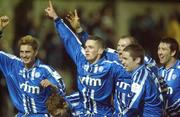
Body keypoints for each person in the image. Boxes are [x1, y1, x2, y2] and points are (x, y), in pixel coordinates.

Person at [45, 1, 130, 116]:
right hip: (84, 112)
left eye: (90, 47)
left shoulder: (110, 66)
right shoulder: (81, 59)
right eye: (86, 47)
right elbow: (69, 39)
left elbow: (133, 68)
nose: (86, 49)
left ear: (100, 51)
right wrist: (56, 18)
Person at [0, 15, 66, 117]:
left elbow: (62, 89)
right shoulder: (13, 65)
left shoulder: (45, 70)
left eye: (27, 52)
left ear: (35, 52)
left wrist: (52, 85)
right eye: (22, 52)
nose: (24, 55)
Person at [118, 44, 162, 116]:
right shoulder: (141, 72)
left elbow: (133, 104)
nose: (122, 62)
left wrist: (121, 115)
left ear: (137, 60)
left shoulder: (140, 77)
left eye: (125, 59)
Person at [158, 37, 180, 117]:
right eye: (159, 49)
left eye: (163, 49)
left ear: (173, 52)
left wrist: (169, 111)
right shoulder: (158, 72)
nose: (159, 52)